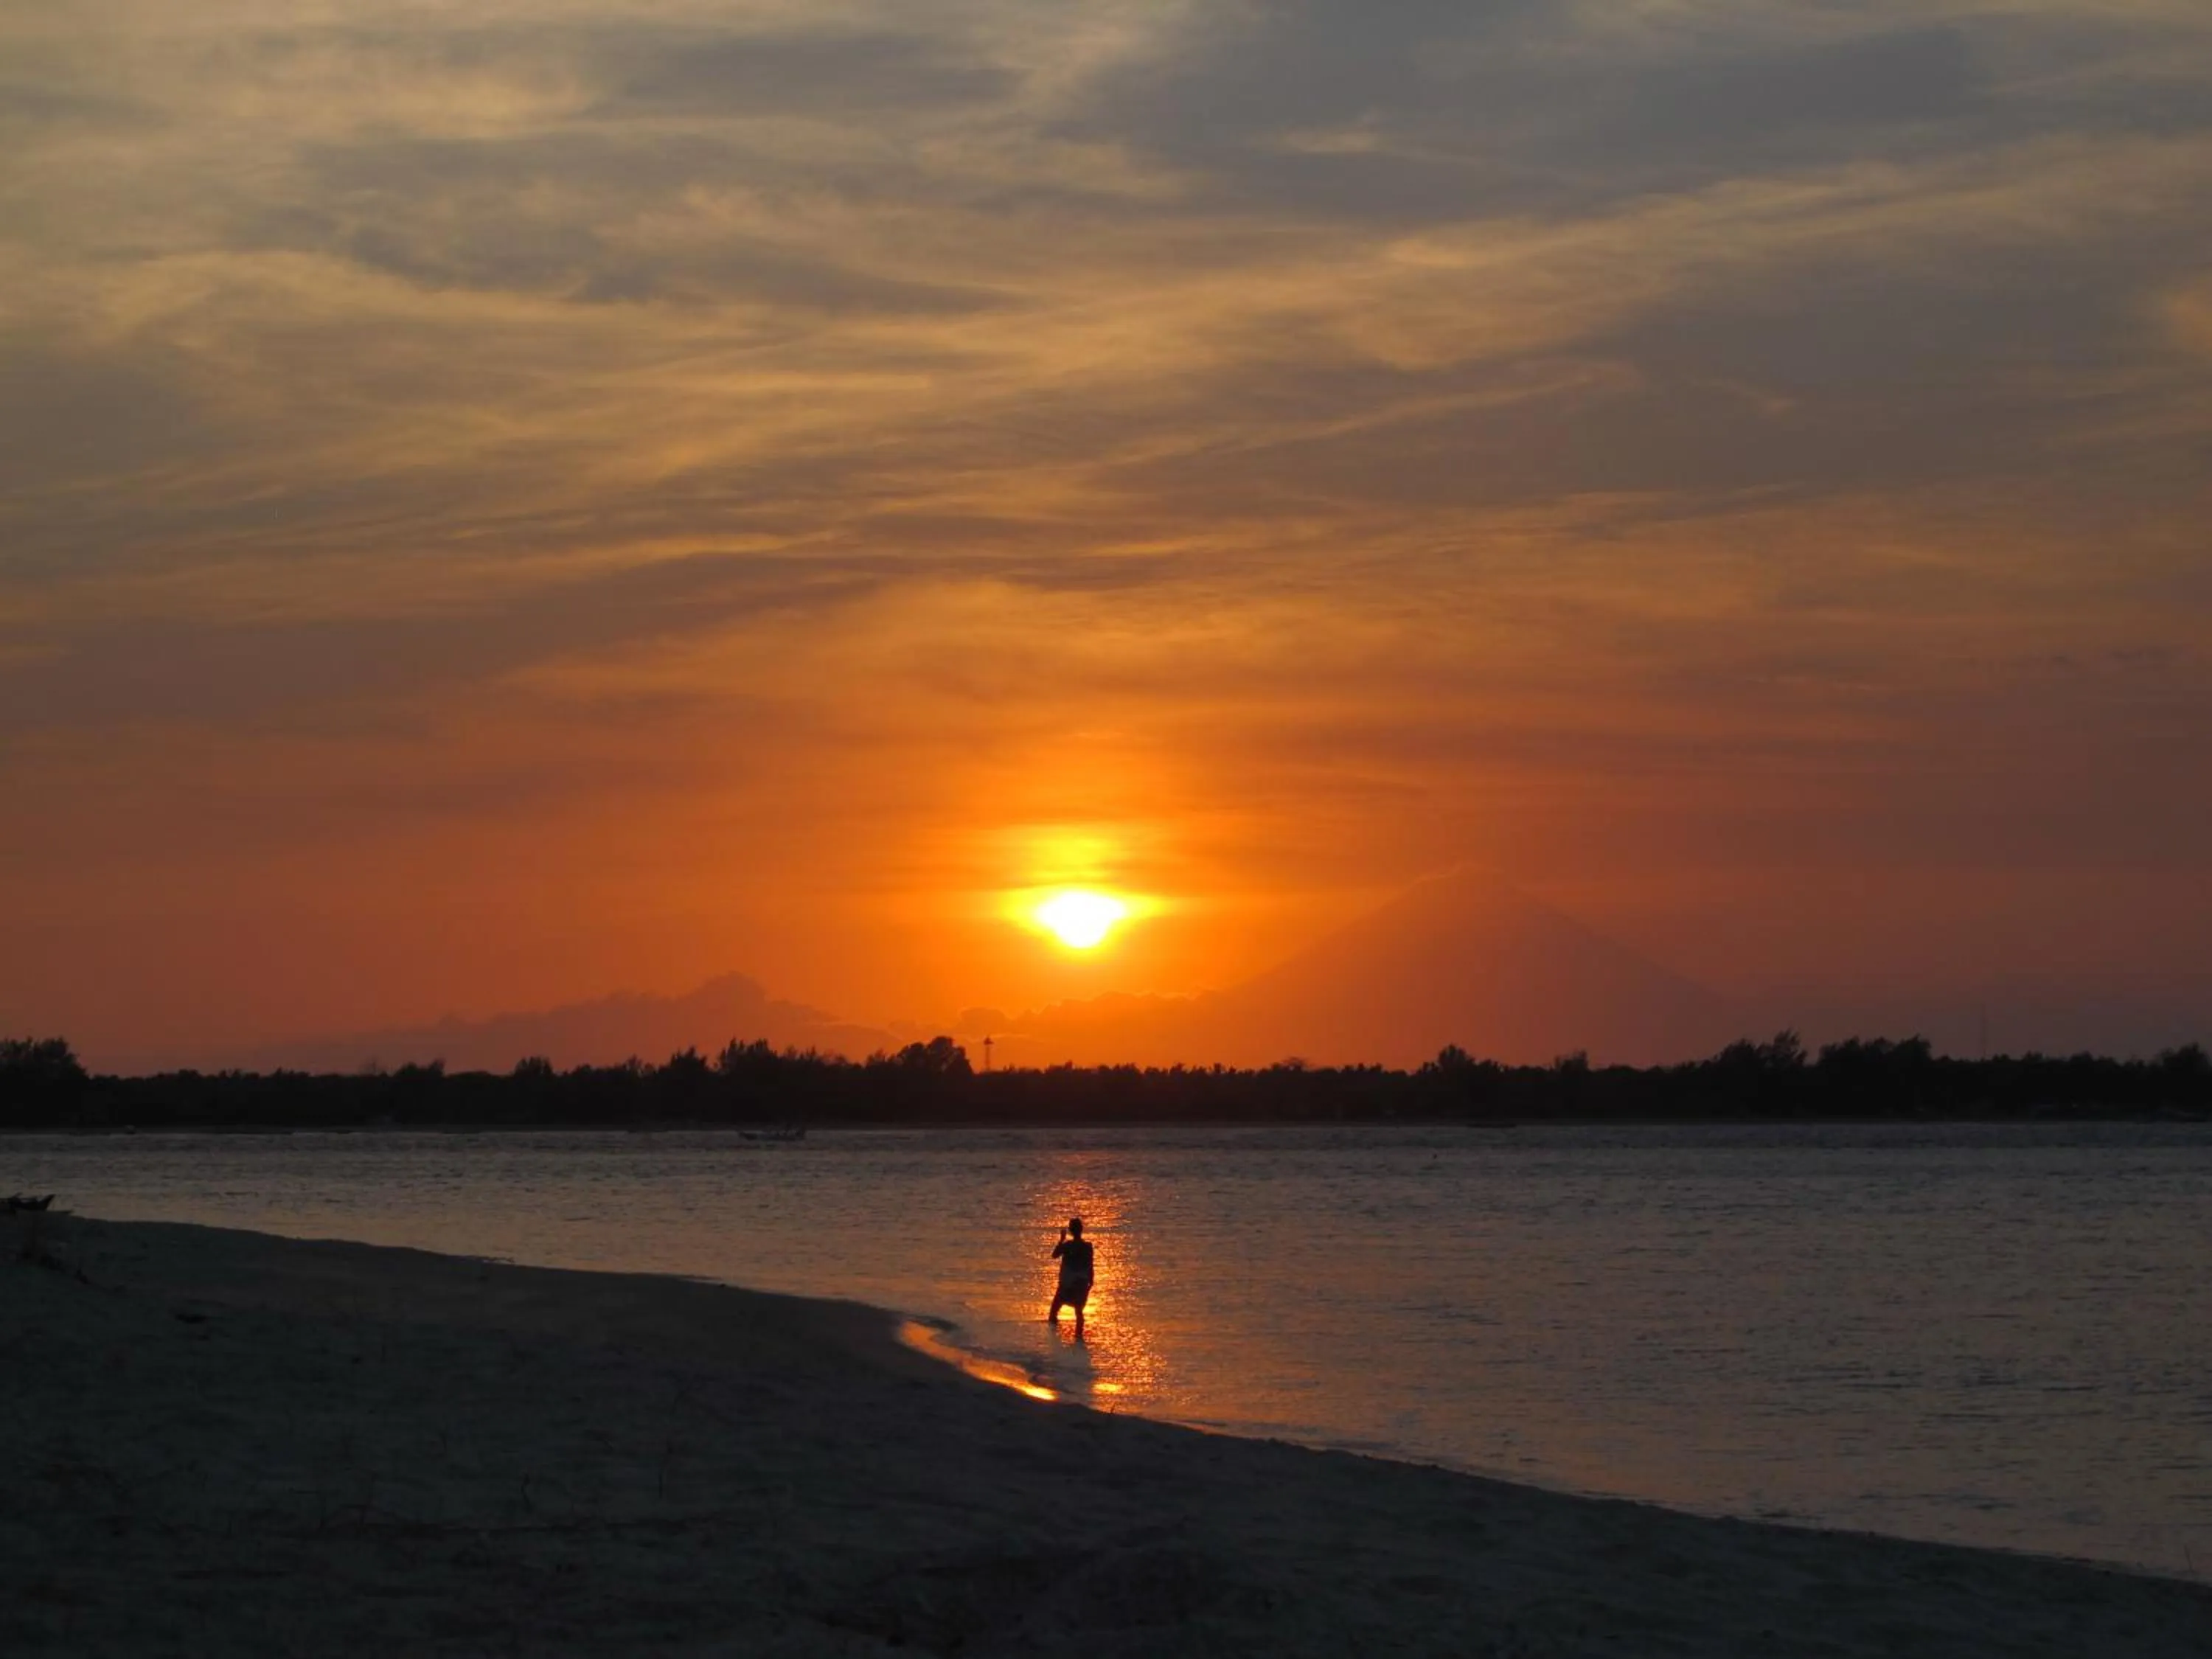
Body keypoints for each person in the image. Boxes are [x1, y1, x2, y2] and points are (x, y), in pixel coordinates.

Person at [1047, 1216, 1094, 1336]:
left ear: (1071, 1231)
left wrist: (1061, 1240)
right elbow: (1090, 1265)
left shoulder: (1068, 1246)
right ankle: (1079, 1339)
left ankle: (1053, 1342)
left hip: (1067, 1283)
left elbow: (1054, 1255)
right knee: (1079, 1312)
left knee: (1054, 1312)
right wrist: (1090, 1282)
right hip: (1082, 1283)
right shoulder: (1088, 1247)